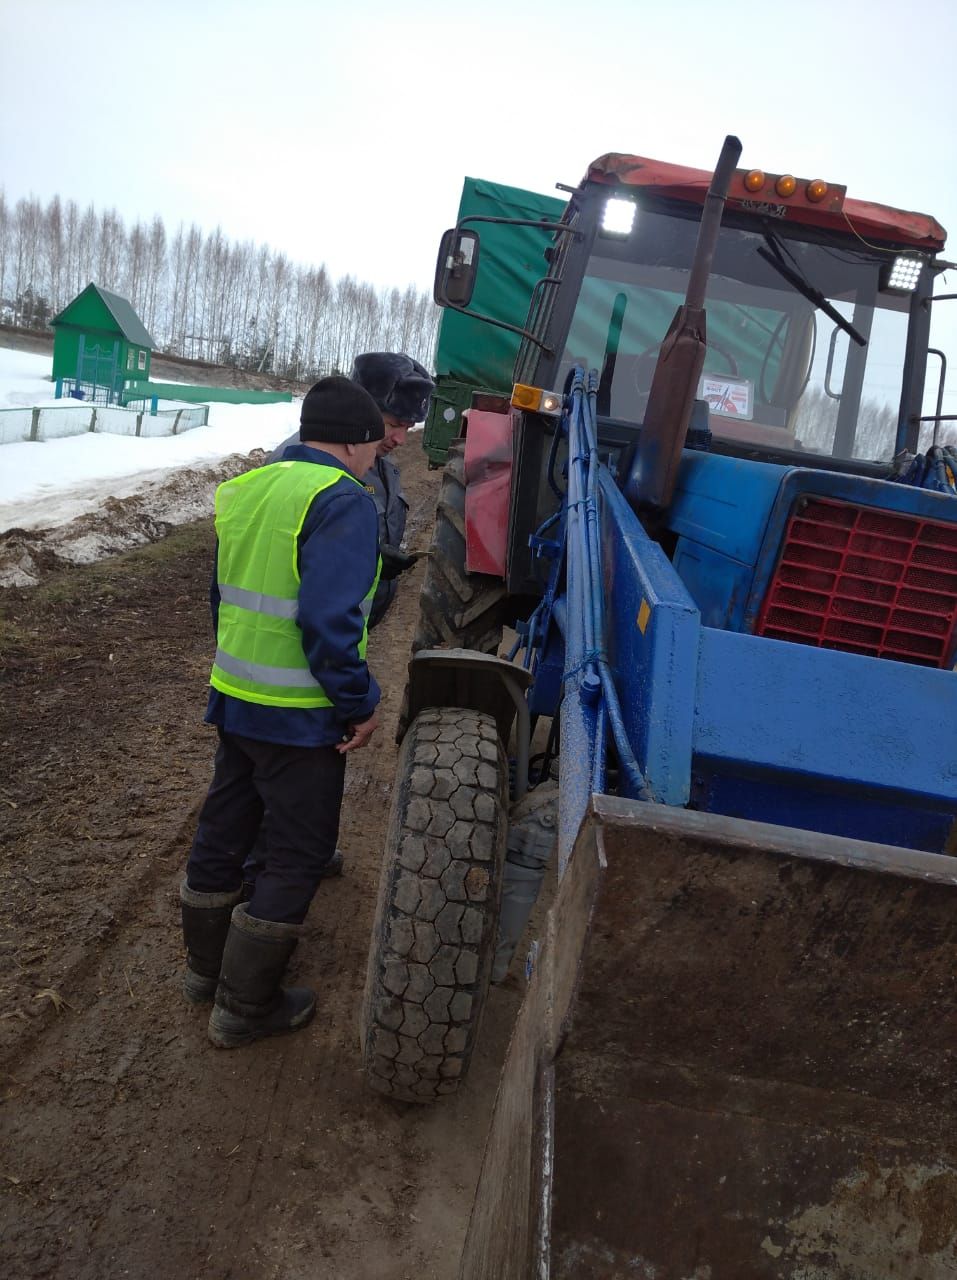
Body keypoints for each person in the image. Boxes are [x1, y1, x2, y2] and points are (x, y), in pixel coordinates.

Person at [180, 376, 384, 1049]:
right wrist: (357, 703)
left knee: (224, 827)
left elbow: (221, 599)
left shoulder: (246, 489)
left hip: (236, 696)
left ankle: (204, 973)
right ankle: (245, 1006)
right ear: (355, 443)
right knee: (297, 852)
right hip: (299, 715)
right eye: (376, 446)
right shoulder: (342, 500)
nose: (378, 457)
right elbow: (329, 620)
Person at [267, 352, 435, 629]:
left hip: (344, 635)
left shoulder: (382, 466)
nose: (401, 439)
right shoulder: (299, 461)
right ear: (361, 410)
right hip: (303, 644)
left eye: (409, 427)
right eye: (393, 424)